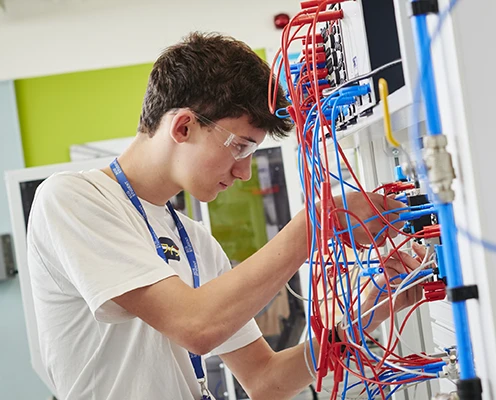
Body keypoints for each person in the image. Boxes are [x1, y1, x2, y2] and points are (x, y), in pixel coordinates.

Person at [27, 32, 424, 400]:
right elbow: (196, 327)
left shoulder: (196, 240)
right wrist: (318, 222)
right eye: (240, 147)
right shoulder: (72, 200)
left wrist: (358, 324)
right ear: (183, 127)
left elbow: (265, 379)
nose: (244, 171)